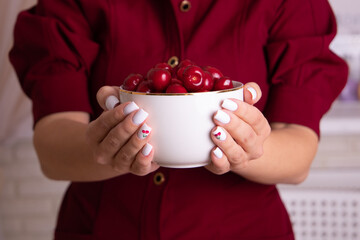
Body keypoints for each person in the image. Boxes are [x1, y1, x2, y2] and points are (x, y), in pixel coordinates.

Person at [9, 0, 347, 239]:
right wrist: (105, 147)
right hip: (107, 228)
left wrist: (246, 148)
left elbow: (298, 154)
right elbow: (52, 148)